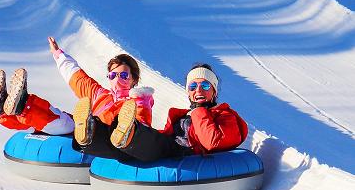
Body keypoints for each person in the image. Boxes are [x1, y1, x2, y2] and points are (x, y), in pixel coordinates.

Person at [73, 63, 248, 162]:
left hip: (184, 154)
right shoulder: (184, 115)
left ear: (214, 91)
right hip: (170, 146)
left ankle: (130, 134)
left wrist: (199, 110)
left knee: (152, 144)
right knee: (125, 149)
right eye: (193, 86)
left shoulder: (226, 116)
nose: (198, 90)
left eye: (205, 86)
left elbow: (212, 142)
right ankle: (92, 133)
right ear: (188, 91)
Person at [0, 37, 154, 136]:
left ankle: (20, 106)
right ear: (108, 78)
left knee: (63, 124)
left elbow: (141, 128)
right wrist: (59, 55)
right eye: (113, 75)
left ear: (134, 79)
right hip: (84, 125)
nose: (118, 79)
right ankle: (6, 109)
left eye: (124, 75)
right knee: (56, 115)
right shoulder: (100, 94)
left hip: (97, 137)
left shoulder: (138, 101)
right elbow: (78, 78)